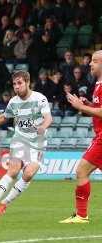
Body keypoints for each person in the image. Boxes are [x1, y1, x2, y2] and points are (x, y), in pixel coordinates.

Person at [0, 71, 52, 215]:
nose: (17, 87)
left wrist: (43, 127)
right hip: (20, 140)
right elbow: (4, 117)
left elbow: (48, 118)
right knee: (13, 171)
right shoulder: (13, 101)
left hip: (38, 143)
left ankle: (4, 203)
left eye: (20, 83)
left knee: (28, 174)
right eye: (15, 84)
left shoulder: (40, 98)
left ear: (27, 82)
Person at [60, 50, 102, 223]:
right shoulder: (98, 84)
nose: (90, 64)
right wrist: (88, 104)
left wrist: (81, 106)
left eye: (94, 61)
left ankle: (81, 215)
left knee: (81, 171)